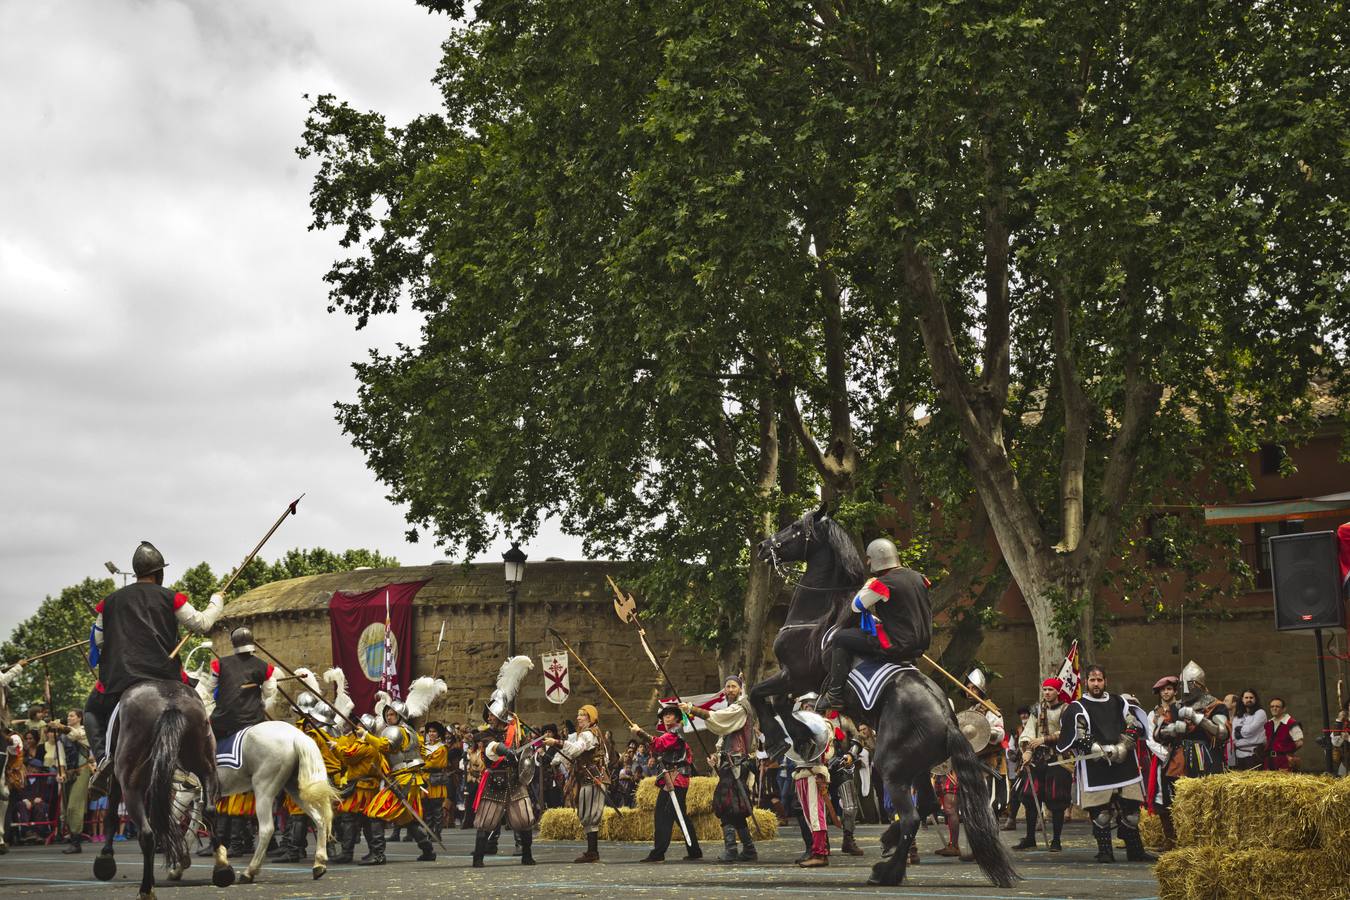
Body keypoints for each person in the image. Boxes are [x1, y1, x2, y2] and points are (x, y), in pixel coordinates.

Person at [84, 541, 225, 777]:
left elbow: (99, 640)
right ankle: (202, 761)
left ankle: (104, 759)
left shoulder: (108, 603)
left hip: (122, 678)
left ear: (137, 572)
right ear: (160, 573)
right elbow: (202, 624)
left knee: (91, 712)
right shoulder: (171, 597)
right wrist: (216, 601)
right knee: (200, 705)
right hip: (166, 675)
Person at [819, 537, 932, 713]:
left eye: (869, 558)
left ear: (877, 559)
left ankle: (834, 694)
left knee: (841, 638)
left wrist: (868, 585)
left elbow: (856, 606)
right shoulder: (918, 577)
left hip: (897, 644)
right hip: (919, 644)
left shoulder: (884, 583)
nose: (868, 562)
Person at [1056, 664, 1153, 864]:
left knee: (1132, 813)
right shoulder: (1078, 707)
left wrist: (1124, 746)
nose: (1096, 684)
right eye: (1092, 680)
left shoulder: (1119, 702)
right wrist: (1097, 748)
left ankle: (1135, 850)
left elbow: (1133, 725)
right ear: (1086, 682)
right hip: (1096, 765)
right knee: (1101, 814)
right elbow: (1078, 733)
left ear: (1105, 681)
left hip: (1123, 762)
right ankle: (1105, 852)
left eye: (1099, 680)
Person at [360, 678, 446, 865]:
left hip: (403, 780)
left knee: (374, 812)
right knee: (409, 818)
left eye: (392, 714)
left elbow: (385, 746)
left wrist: (367, 737)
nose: (389, 717)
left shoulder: (396, 731)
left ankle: (378, 854)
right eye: (388, 714)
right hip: (410, 779)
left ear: (400, 716)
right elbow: (421, 752)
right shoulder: (412, 733)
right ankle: (428, 850)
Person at [681, 675, 760, 862]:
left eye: (733, 686)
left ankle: (731, 850)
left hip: (737, 765)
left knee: (725, 806)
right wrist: (717, 757)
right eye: (727, 687)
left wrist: (692, 709)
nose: (730, 690)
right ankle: (749, 849)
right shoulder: (733, 709)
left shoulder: (741, 708)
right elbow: (725, 735)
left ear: (740, 689)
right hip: (729, 763)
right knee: (735, 808)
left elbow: (718, 718)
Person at [471, 656, 538, 868]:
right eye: (488, 714)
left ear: (500, 716)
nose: (489, 718)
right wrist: (505, 750)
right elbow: (490, 748)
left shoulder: (516, 731)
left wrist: (532, 755)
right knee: (486, 822)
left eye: (492, 715)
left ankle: (527, 854)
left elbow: (527, 749)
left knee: (525, 820)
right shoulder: (483, 734)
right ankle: (478, 858)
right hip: (495, 781)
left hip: (516, 780)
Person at [631, 703, 703, 863]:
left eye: (670, 714)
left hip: (676, 779)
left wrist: (640, 732)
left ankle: (658, 853)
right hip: (673, 779)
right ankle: (694, 851)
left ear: (677, 718)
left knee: (664, 814)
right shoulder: (670, 734)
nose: (666, 717)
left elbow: (659, 743)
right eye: (665, 715)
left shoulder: (675, 732)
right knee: (678, 815)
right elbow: (659, 748)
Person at [544, 703, 610, 863]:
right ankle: (591, 851)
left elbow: (575, 750)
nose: (579, 717)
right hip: (591, 777)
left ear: (591, 718)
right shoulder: (595, 733)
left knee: (590, 814)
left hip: (593, 778)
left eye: (583, 715)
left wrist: (556, 743)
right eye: (579, 714)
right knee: (586, 814)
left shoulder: (588, 734)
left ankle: (593, 852)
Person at [1017, 677, 1072, 852]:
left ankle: (1056, 840)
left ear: (1057, 692)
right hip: (1037, 760)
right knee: (1029, 796)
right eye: (1045, 689)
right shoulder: (1036, 710)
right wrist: (1027, 750)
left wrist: (1044, 739)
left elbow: (1067, 732)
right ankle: (1030, 838)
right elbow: (1028, 731)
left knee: (1057, 799)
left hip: (1059, 760)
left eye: (1051, 690)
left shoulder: (1066, 710)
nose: (1047, 693)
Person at [49, 710, 92, 853]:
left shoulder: (85, 731)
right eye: (68, 716)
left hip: (82, 771)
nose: (69, 717)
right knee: (66, 809)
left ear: (80, 718)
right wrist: (61, 772)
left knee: (75, 806)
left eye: (72, 715)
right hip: (68, 773)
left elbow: (75, 735)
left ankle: (76, 842)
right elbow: (60, 756)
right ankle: (73, 839)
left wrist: (61, 726)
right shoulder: (61, 736)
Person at [422, 721, 450, 841]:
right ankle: (429, 833)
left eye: (434, 731)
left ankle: (437, 833)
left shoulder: (442, 748)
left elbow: (435, 763)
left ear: (438, 734)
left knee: (437, 809)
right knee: (427, 810)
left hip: (436, 780)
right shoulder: (424, 747)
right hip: (425, 780)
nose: (431, 733)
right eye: (429, 731)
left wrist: (422, 763)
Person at [1230, 689, 1267, 771]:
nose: (1249, 699)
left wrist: (1239, 731)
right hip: (1239, 755)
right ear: (1242, 700)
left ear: (1255, 699)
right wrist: (1242, 734)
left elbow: (1250, 730)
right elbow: (1234, 737)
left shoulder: (1260, 713)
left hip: (1254, 755)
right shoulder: (1238, 716)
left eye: (1251, 697)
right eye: (1246, 697)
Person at [1263, 697, 1303, 770]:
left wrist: (1288, 753)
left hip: (1284, 761)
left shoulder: (1291, 723)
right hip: (1269, 761)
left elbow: (1299, 743)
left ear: (1284, 709)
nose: (1274, 708)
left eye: (1277, 706)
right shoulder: (1269, 724)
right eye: (1272, 706)